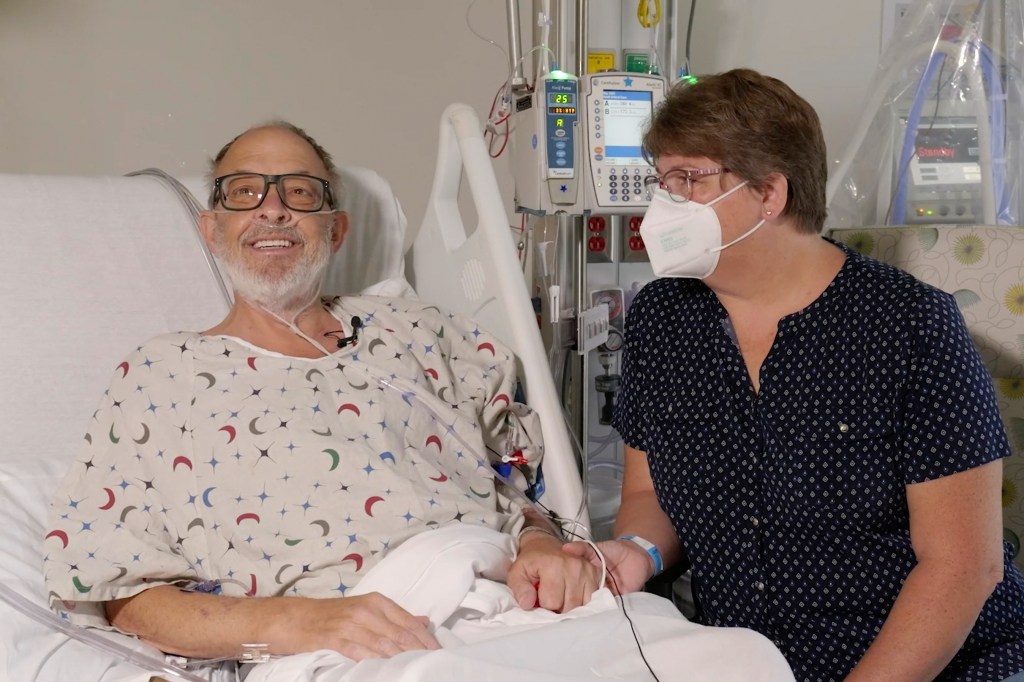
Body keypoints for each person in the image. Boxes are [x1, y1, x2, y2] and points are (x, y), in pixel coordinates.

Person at [41, 121, 602, 663]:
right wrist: (296, 622)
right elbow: (123, 597)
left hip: (516, 601)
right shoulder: (161, 375)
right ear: (211, 229)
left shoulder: (423, 332)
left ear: (336, 230)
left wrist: (541, 546)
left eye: (301, 192)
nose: (272, 207)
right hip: (357, 649)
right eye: (244, 192)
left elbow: (519, 482)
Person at [563, 68, 1024, 681]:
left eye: (687, 180)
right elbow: (649, 495)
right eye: (660, 180)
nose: (660, 204)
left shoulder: (908, 326)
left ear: (770, 194)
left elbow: (964, 567)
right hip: (750, 662)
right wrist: (638, 553)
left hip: (937, 662)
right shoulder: (663, 318)